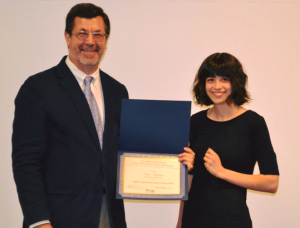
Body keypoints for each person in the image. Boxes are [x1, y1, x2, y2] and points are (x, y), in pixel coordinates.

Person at [12, 3, 127, 228]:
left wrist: (176, 162)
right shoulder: (38, 87)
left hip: (109, 216)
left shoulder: (118, 91)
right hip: (58, 218)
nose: (90, 42)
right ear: (67, 37)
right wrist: (39, 221)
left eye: (98, 35)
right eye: (82, 33)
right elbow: (26, 161)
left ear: (106, 39)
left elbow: (124, 151)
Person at [176, 53, 279, 228]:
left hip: (232, 221)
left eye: (224, 79)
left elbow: (271, 182)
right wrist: (179, 223)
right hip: (193, 219)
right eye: (210, 79)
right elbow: (190, 180)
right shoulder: (196, 121)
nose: (217, 86)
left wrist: (222, 172)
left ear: (236, 82)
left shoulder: (253, 123)